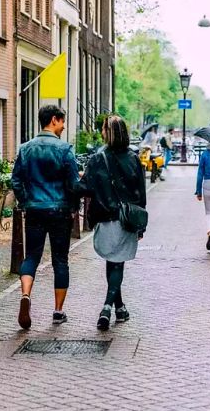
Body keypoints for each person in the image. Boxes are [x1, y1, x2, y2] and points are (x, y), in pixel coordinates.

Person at [73, 115, 147, 331]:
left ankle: (118, 307)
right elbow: (140, 193)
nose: (102, 133)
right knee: (117, 262)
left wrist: (69, 183)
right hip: (127, 218)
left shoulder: (98, 159)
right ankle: (109, 307)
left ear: (108, 132)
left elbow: (85, 187)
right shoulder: (133, 158)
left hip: (105, 218)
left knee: (112, 261)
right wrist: (141, 224)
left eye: (104, 129)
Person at [11, 105, 79, 329]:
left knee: (31, 256)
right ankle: (58, 311)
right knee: (60, 260)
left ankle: (26, 294)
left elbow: (16, 181)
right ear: (53, 120)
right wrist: (73, 206)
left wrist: (25, 200)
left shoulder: (25, 149)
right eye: (62, 121)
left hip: (34, 210)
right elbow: (73, 185)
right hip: (59, 211)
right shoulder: (65, 149)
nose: (64, 126)